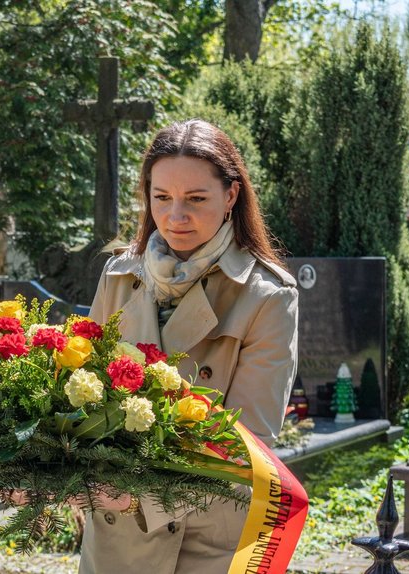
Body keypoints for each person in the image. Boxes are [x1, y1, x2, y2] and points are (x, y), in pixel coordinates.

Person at [79, 119, 299, 574]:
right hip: (114, 541)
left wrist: (138, 497)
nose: (175, 216)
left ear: (231, 195)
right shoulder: (118, 275)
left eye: (196, 199)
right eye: (161, 197)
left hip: (203, 543)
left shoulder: (267, 296)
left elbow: (246, 443)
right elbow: (81, 395)